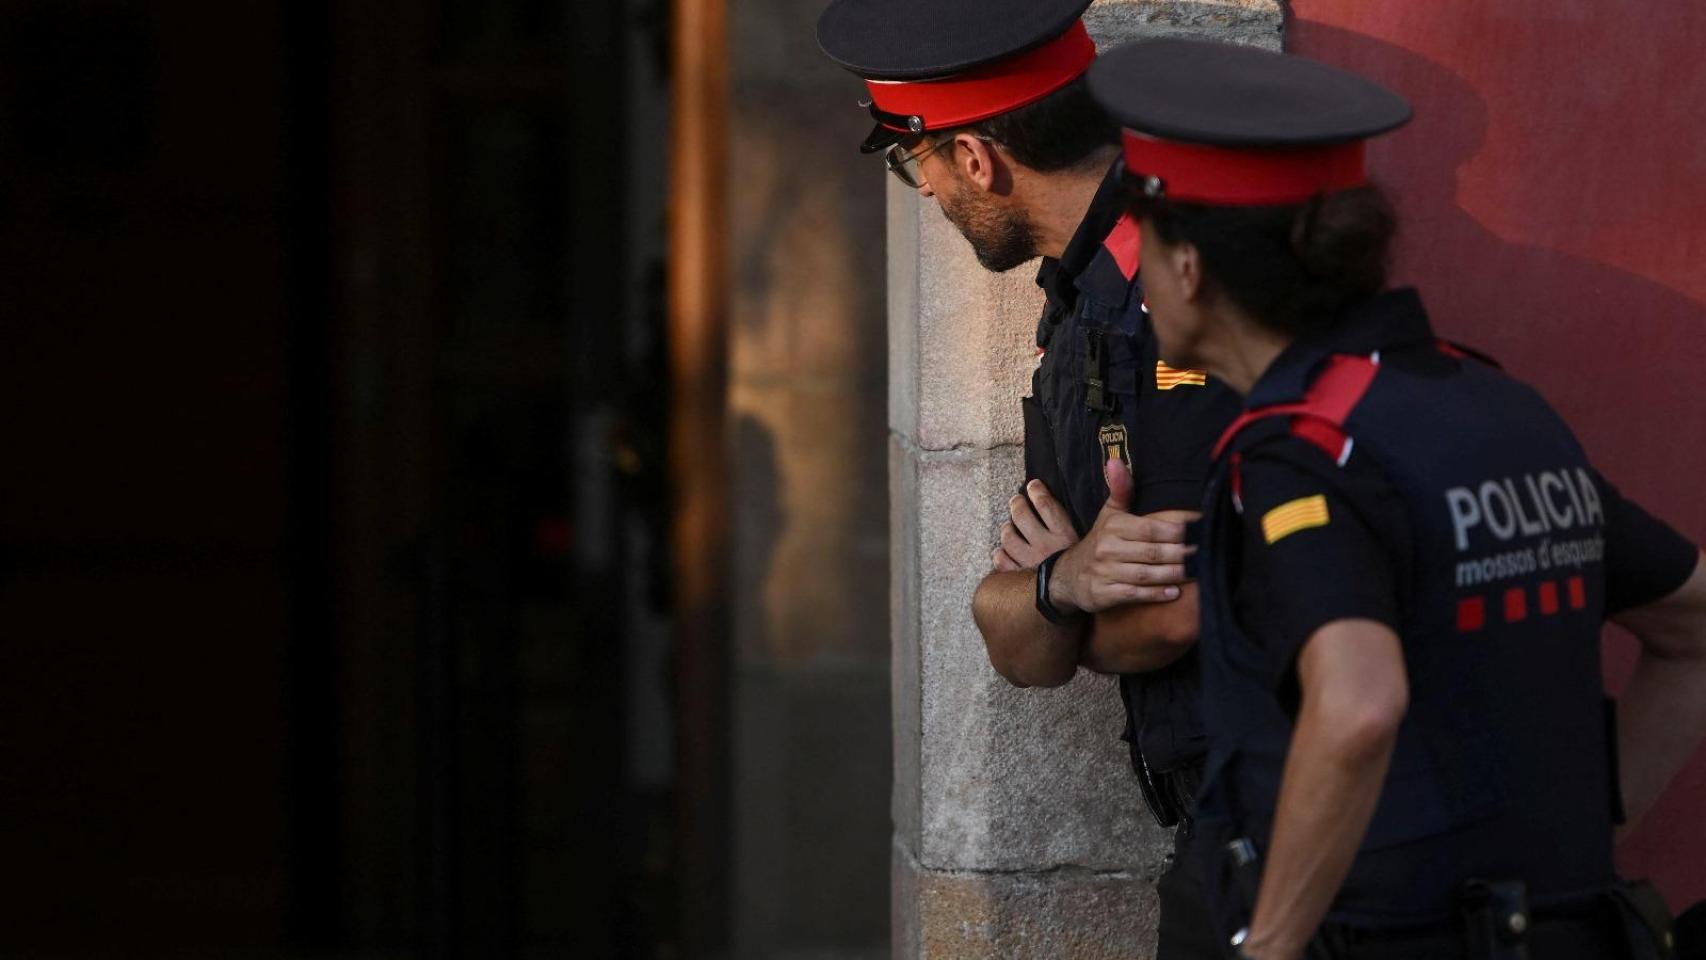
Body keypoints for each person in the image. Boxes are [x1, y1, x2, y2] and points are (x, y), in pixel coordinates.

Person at [1087, 38, 1706, 960]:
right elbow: (1694, 623)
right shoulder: (1498, 406)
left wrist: (1270, 946)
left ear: (1187, 269)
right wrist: (1581, 845)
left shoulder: (1300, 456)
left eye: (1148, 237)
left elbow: (1358, 705)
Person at [816, 3, 1241, 956]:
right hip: (1222, 827)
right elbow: (1023, 649)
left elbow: (1178, 616)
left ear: (975, 157)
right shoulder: (1081, 301)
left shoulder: (1175, 298)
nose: (921, 194)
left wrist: (1061, 602)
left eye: (910, 161)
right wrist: (1062, 586)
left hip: (1278, 825)